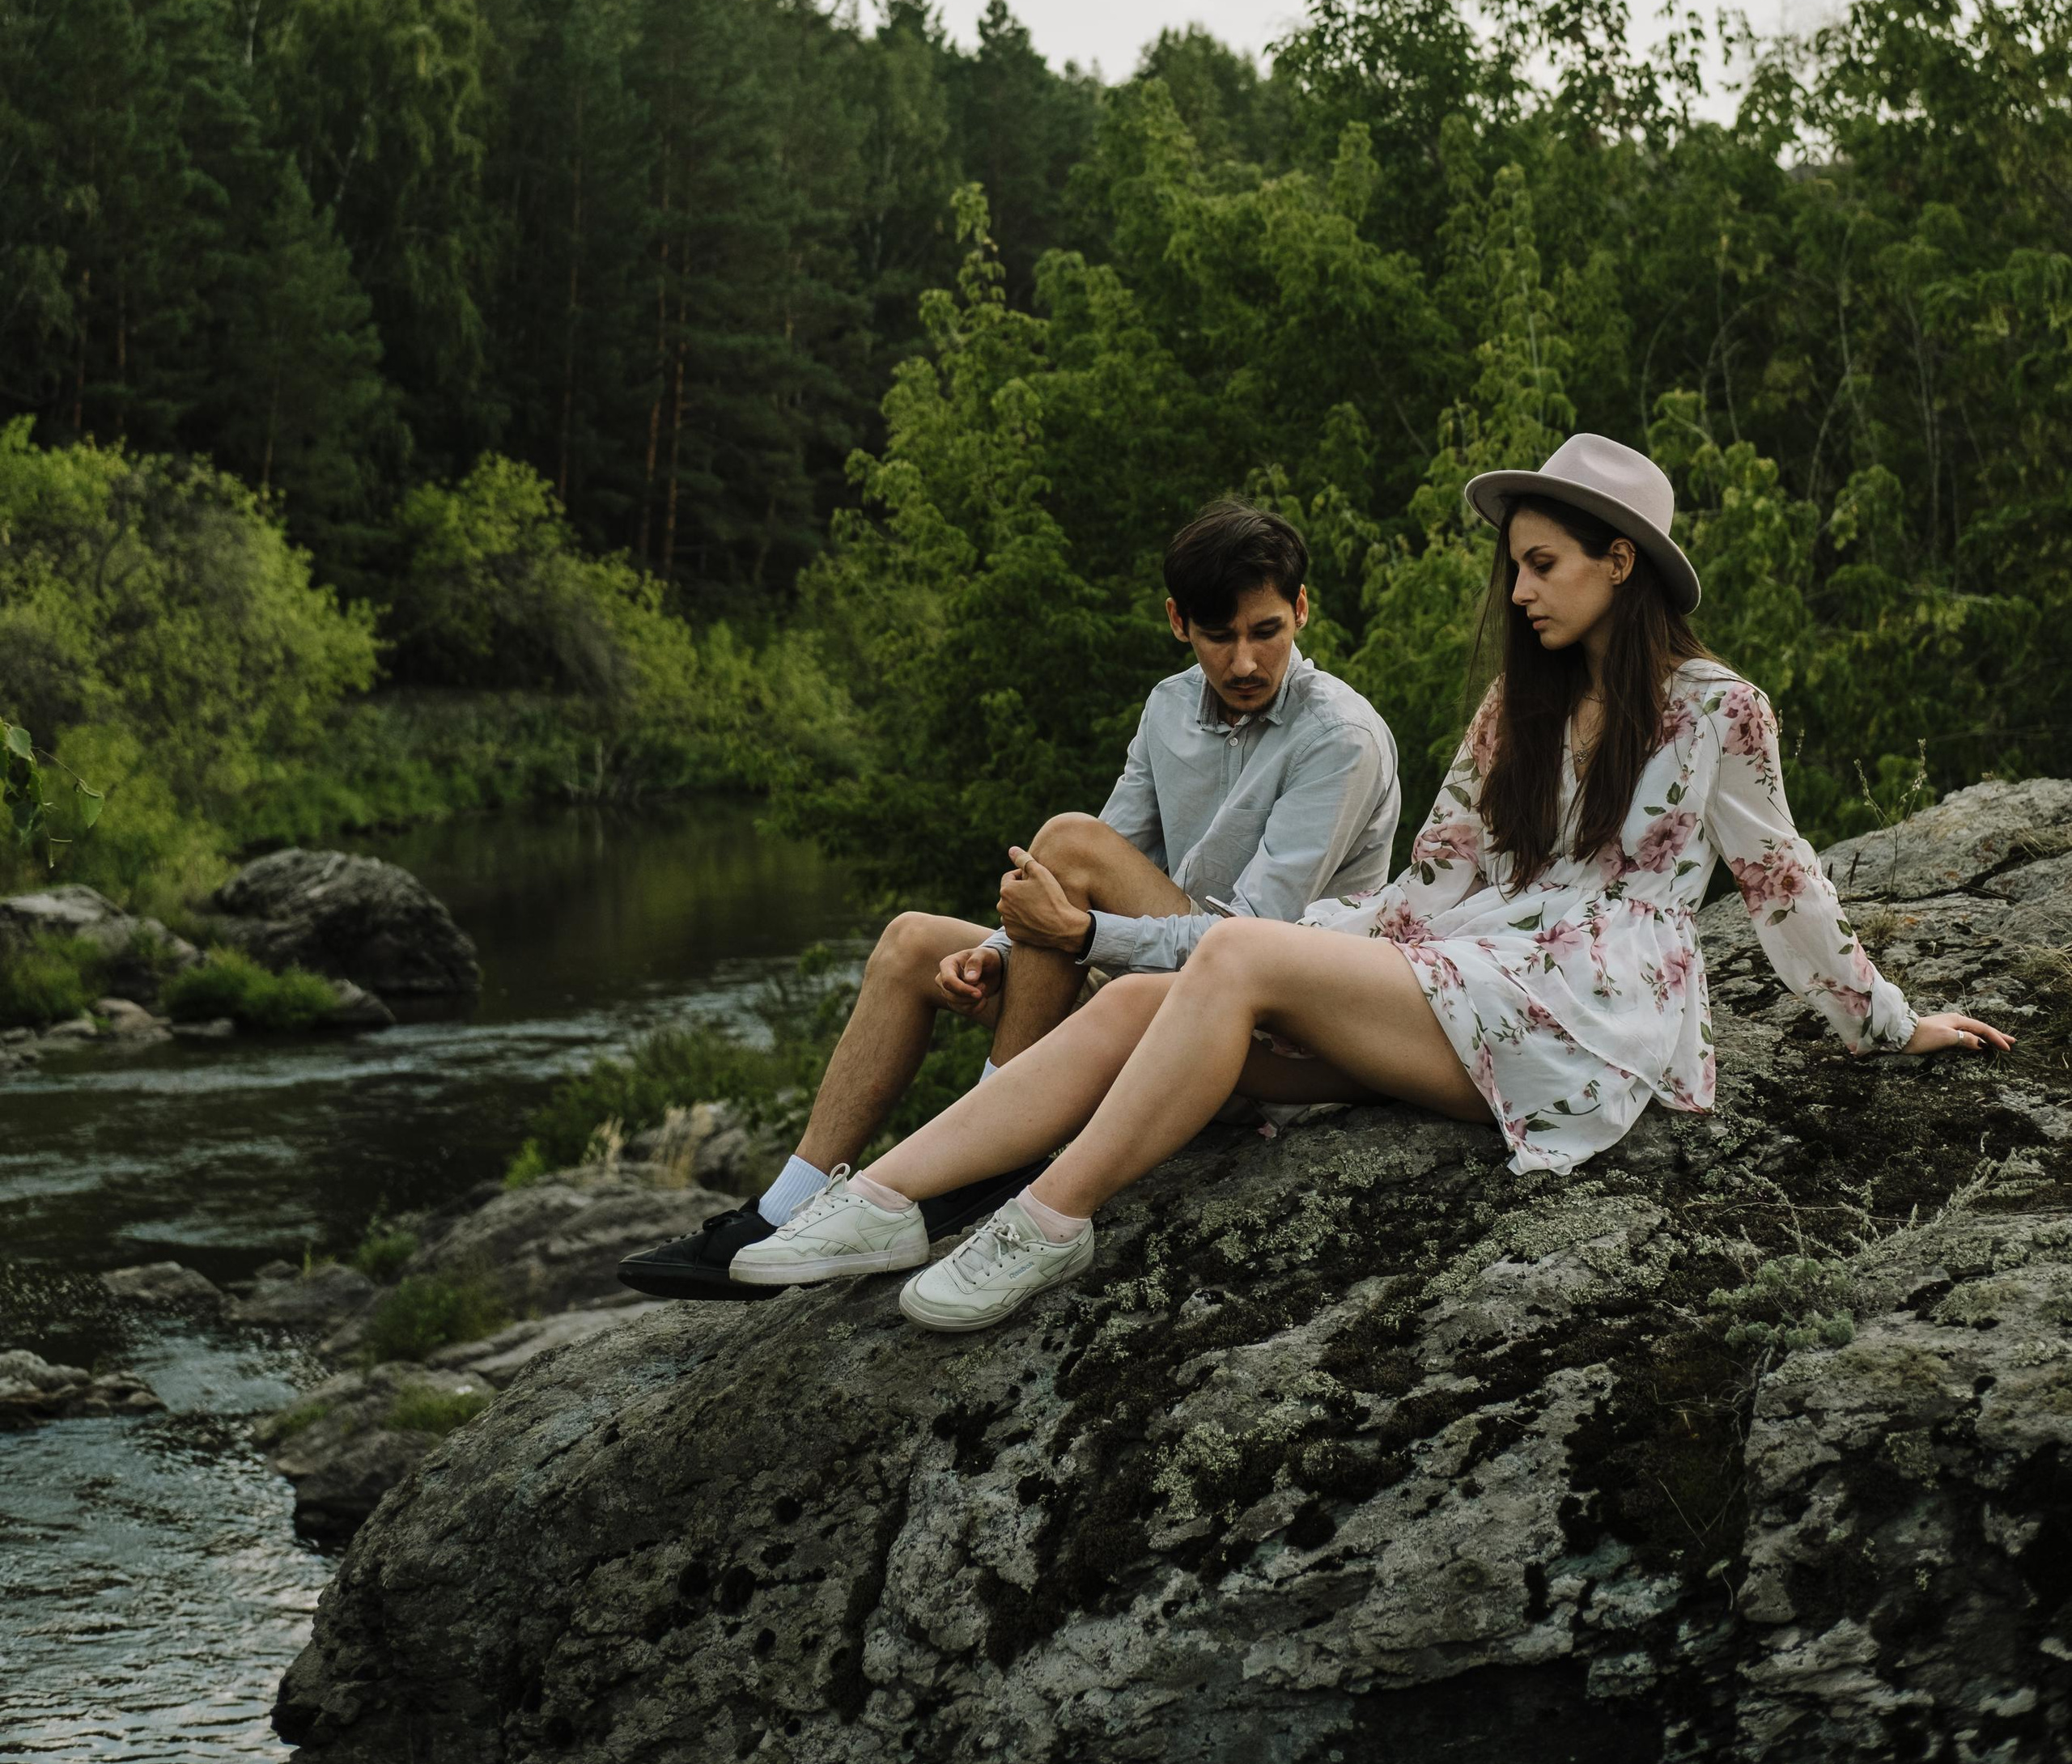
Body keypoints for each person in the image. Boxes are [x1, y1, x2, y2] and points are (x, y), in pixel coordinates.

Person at [722, 431, 2012, 1334]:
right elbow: (1426, 887)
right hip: (1469, 977)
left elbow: (1787, 888)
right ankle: (884, 1200)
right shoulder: (1522, 701)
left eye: (1543, 564)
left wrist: (1890, 1026)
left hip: (1590, 1018)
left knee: (1237, 958)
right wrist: (1278, 955)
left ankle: (1050, 1222)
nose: (1517, 589)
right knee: (1146, 1006)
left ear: (1621, 562)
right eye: (1513, 565)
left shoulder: (1719, 709)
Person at [619, 497, 1399, 1300]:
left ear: (1301, 609)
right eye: (1218, 635)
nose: (1243, 662)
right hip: (1146, 997)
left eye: (1265, 631)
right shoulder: (1169, 707)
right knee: (912, 943)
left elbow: (1252, 941)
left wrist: (1083, 931)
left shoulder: (1338, 738)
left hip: (1254, 1030)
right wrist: (996, 953)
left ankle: (987, 1153)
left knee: (1065, 840)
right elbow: (1088, 879)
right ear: (1177, 622)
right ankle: (781, 1210)